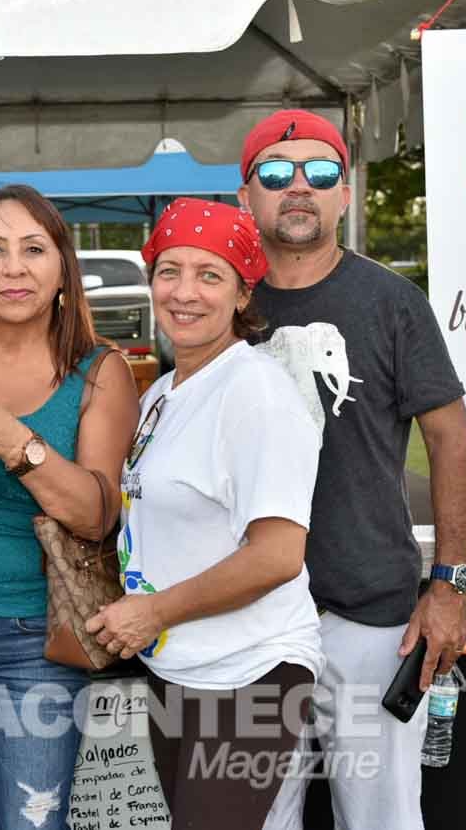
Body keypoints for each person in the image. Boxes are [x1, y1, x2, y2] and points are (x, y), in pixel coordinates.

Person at [237, 110, 466, 830]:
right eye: (276, 173)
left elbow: (453, 442)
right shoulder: (220, 302)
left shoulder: (394, 303)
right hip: (247, 612)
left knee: (381, 817)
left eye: (321, 172)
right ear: (245, 194)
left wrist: (450, 585)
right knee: (255, 816)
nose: (299, 186)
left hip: (371, 615)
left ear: (345, 193)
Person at [85, 198, 325, 830]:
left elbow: (278, 556)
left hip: (252, 672)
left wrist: (153, 612)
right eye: (170, 271)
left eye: (209, 275)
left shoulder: (256, 392)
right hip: (177, 667)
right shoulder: (164, 393)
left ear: (243, 294)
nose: (184, 292)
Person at [0, 184, 139, 830]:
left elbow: (98, 516)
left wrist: (16, 443)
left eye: (34, 249)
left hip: (35, 640)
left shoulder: (100, 372)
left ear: (63, 268)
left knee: (31, 822)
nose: (14, 268)